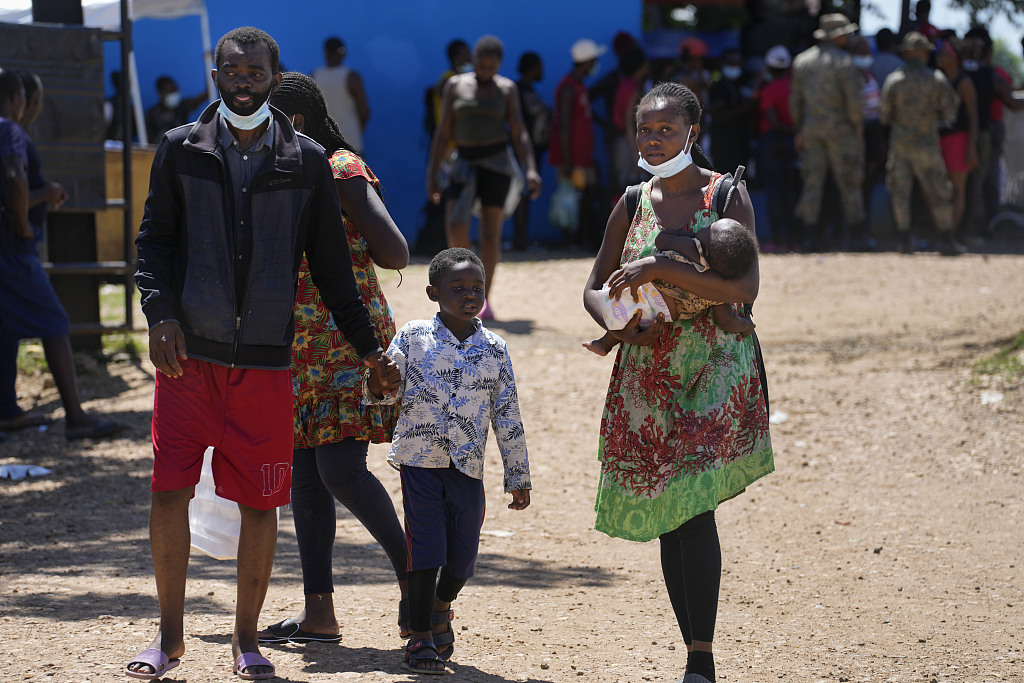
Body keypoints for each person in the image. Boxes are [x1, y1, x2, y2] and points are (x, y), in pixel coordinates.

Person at [127, 27, 397, 681]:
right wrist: (160, 315)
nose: (243, 80)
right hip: (189, 360)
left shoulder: (305, 161)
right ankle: (169, 637)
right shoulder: (179, 150)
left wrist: (369, 352)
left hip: (270, 365)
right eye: (232, 70)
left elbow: (334, 272)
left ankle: (246, 640)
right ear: (215, 75)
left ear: (275, 80)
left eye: (255, 71)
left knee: (260, 503)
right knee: (169, 492)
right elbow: (152, 244)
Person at [583, 81, 773, 683]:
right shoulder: (632, 202)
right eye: (645, 128)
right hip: (648, 366)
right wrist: (618, 321)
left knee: (693, 507)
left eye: (666, 128)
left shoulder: (727, 196)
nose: (653, 139)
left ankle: (701, 657)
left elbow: (743, 291)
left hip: (713, 365)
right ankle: (695, 651)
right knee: (670, 510)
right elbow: (594, 286)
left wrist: (665, 267)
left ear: (694, 130)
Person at [254, 72, 411, 645]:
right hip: (297, 345)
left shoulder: (339, 168)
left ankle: (417, 580)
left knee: (339, 469)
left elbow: (395, 249)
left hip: (350, 343)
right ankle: (319, 612)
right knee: (305, 477)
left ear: (293, 122)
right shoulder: (276, 173)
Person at [362, 247, 532, 674]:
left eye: (477, 287)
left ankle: (440, 606)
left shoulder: (495, 348)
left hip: (467, 468)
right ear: (433, 292)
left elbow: (507, 414)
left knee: (462, 559)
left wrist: (518, 474)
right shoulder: (414, 336)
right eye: (458, 288)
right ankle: (420, 639)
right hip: (420, 463)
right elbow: (387, 390)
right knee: (426, 553)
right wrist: (378, 383)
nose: (469, 294)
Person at [0, 68, 125, 441]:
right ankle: (76, 417)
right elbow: (14, 180)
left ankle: (6, 410)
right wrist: (28, 217)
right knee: (54, 322)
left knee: (5, 330)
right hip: (12, 250)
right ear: (18, 99)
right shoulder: (9, 130)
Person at [426, 35, 541, 321]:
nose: (486, 70)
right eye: (482, 64)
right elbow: (443, 132)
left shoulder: (507, 89)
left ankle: (483, 297)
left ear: (499, 64)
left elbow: (519, 131)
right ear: (473, 60)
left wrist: (530, 168)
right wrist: (432, 174)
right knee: (455, 225)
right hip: (463, 164)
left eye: (492, 66)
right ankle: (461, 287)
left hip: (496, 166)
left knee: (491, 233)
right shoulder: (455, 85)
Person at [583, 217, 758, 357]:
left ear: (706, 248)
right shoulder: (716, 291)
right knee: (633, 314)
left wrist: (685, 236)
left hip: (646, 291)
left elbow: (662, 240)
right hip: (659, 316)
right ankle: (604, 344)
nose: (704, 228)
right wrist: (745, 325)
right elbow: (726, 321)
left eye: (708, 229)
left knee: (620, 306)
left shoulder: (692, 248)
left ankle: (604, 344)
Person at [881, 32, 962, 255]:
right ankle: (946, 239)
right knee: (938, 190)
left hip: (900, 145)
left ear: (906, 54)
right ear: (924, 54)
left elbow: (884, 115)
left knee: (900, 192)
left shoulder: (894, 80)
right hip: (927, 144)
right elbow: (951, 111)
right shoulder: (936, 78)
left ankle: (904, 240)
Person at [790, 13, 866, 251]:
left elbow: (795, 102)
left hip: (811, 131)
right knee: (849, 182)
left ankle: (809, 236)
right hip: (841, 132)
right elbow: (853, 102)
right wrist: (857, 127)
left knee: (812, 183)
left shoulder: (802, 61)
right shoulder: (845, 62)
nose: (848, 36)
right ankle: (857, 235)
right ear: (836, 36)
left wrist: (800, 129)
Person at [549, 38, 607, 251]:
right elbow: (563, 126)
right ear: (588, 61)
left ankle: (581, 238)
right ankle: (569, 240)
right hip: (572, 157)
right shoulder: (568, 88)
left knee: (585, 193)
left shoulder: (578, 86)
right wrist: (566, 160)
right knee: (571, 197)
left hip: (582, 155)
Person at [757, 45, 801, 252]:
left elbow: (773, 122)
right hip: (793, 142)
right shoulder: (795, 88)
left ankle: (778, 239)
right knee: (791, 191)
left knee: (775, 192)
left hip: (773, 143)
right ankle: (793, 237)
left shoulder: (769, 90)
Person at [936, 37, 979, 237]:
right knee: (938, 190)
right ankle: (942, 233)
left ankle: (949, 236)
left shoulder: (964, 83)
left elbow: (973, 116)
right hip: (939, 139)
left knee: (957, 190)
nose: (940, 55)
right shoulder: (939, 80)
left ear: (954, 58)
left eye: (944, 52)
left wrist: (971, 146)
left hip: (958, 140)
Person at [512, 51, 551, 250]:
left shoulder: (526, 90)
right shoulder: (519, 91)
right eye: (539, 66)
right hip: (522, 150)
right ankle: (520, 239)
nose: (541, 71)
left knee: (525, 194)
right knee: (521, 194)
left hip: (532, 149)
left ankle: (521, 238)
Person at [311, 36, 370, 155]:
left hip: (323, 144)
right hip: (350, 142)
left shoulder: (314, 76)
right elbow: (364, 111)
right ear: (344, 54)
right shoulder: (352, 78)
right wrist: (361, 125)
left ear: (325, 53)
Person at [851, 36, 882, 250]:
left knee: (867, 186)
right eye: (860, 50)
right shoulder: (849, 76)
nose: (865, 54)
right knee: (857, 187)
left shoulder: (869, 75)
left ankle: (864, 231)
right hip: (856, 134)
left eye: (867, 50)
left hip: (872, 132)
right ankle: (856, 233)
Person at [707, 48, 755, 175]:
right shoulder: (717, 87)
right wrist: (743, 109)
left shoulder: (743, 85)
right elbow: (718, 117)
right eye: (730, 63)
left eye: (736, 63)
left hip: (741, 143)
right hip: (723, 145)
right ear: (722, 64)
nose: (734, 67)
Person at [610, 47, 650, 193]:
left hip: (623, 140)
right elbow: (628, 121)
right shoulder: (634, 87)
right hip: (627, 142)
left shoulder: (624, 84)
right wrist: (636, 154)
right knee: (629, 188)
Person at [144, 76, 207, 142]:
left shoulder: (182, 106)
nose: (175, 94)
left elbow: (206, 94)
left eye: (176, 90)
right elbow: (148, 141)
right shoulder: (151, 115)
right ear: (161, 93)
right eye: (171, 91)